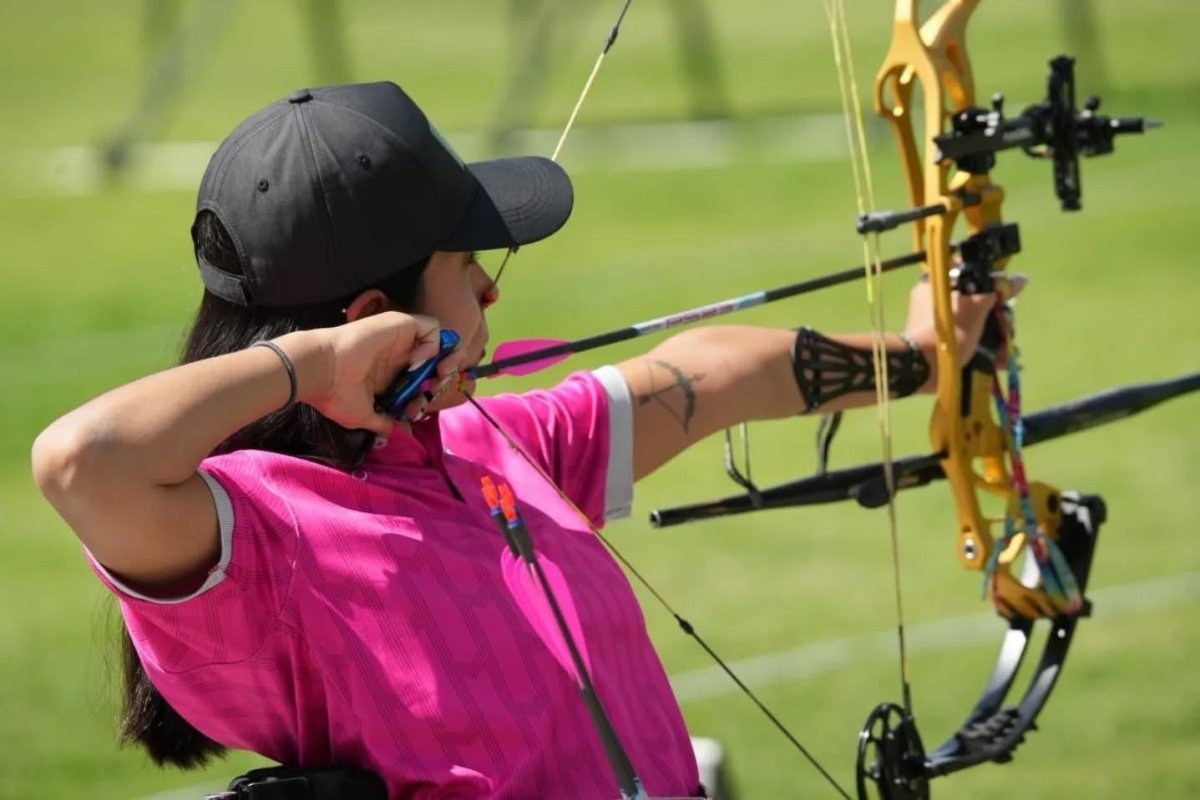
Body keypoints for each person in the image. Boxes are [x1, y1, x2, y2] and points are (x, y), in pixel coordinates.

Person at [31, 82, 994, 799]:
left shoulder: (493, 443)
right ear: (377, 321)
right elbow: (82, 460)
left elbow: (710, 376)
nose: (493, 289)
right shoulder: (260, 536)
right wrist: (316, 361)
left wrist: (923, 355)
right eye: (466, 264)